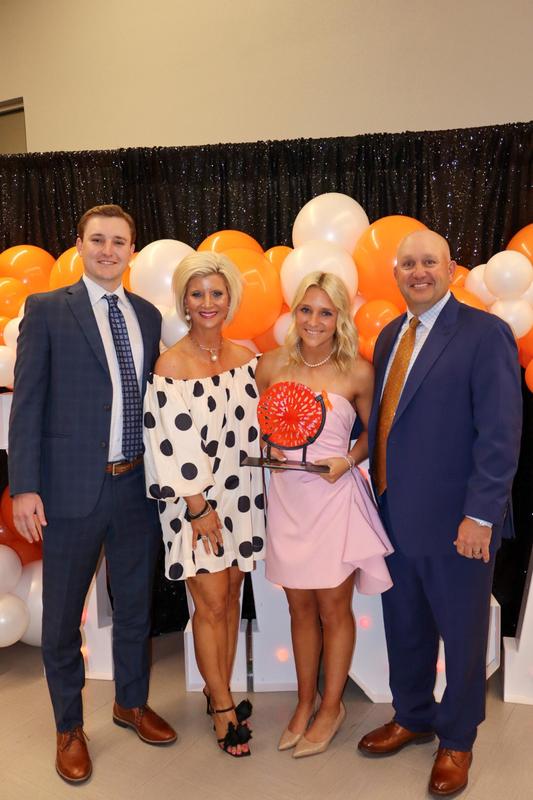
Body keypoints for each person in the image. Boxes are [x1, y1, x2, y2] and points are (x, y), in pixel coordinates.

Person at [8, 204, 177, 784]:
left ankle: (130, 702)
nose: (109, 250)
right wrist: (24, 486)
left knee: (135, 607)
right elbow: (26, 404)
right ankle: (68, 726)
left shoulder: (148, 316)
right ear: (80, 244)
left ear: (133, 249)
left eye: (120, 241)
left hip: (136, 486)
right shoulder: (49, 310)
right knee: (61, 621)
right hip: (69, 491)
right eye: (98, 240)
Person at [357, 230, 522, 797]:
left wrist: (481, 515)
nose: (418, 271)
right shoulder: (386, 338)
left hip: (459, 524)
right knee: (404, 627)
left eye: (430, 262)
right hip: (392, 516)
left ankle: (457, 739)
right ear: (395, 273)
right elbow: (386, 424)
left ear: (451, 270)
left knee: (463, 632)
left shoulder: (485, 335)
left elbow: (500, 436)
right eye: (408, 263)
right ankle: (413, 715)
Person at [256, 270, 393, 759]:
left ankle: (331, 706)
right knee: (298, 608)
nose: (314, 321)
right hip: (287, 499)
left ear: (340, 317)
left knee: (334, 610)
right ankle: (304, 701)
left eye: (326, 312)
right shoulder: (269, 365)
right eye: (306, 310)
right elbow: (264, 426)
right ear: (294, 313)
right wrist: (267, 449)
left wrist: (349, 461)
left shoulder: (358, 370)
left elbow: (371, 436)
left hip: (333, 498)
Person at [143, 250, 265, 758]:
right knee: (210, 605)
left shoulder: (247, 357)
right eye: (197, 294)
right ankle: (220, 709)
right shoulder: (171, 363)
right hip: (198, 504)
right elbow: (166, 443)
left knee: (231, 603)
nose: (207, 302)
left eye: (216, 292)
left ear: (230, 298)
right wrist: (197, 508)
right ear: (184, 302)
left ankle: (226, 694)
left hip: (242, 497)